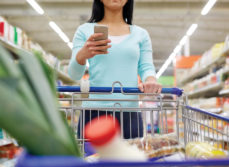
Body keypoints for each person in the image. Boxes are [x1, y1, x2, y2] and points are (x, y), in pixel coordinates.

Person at [68, 0, 162, 139]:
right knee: (93, 160)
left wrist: (150, 80)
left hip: (130, 112)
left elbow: (146, 66)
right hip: (94, 112)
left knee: (130, 160)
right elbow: (74, 74)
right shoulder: (84, 31)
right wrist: (82, 55)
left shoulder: (141, 34)